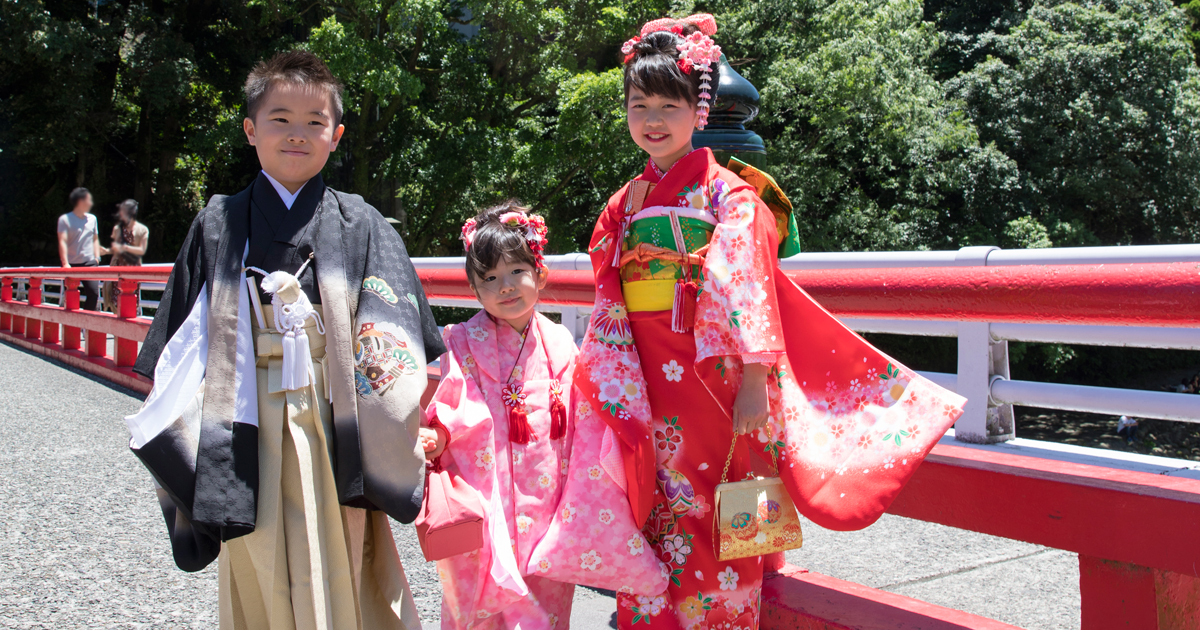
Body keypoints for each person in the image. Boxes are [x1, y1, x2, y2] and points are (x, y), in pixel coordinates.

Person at [574, 15, 968, 629]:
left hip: (720, 379)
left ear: (697, 110)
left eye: (669, 105)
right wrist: (614, 380)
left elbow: (747, 286)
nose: (653, 119)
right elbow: (609, 293)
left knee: (732, 510)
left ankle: (737, 614)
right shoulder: (624, 203)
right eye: (639, 104)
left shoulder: (731, 196)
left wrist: (756, 380)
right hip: (651, 377)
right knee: (653, 501)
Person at [125, 51, 443, 630]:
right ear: (250, 130)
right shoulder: (218, 220)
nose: (298, 134)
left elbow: (391, 337)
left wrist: (401, 416)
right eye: (280, 119)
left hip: (336, 405)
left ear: (336, 135)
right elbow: (180, 343)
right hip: (239, 409)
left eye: (315, 123)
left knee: (344, 544)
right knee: (258, 547)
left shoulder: (360, 221)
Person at [422, 203, 665, 629]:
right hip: (490, 499)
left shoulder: (561, 344)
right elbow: (450, 401)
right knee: (480, 612)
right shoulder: (461, 342)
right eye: (490, 279)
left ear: (541, 274)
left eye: (516, 272)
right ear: (475, 291)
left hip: (551, 504)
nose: (506, 287)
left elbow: (589, 425)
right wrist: (438, 433)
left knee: (546, 606)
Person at [57, 187, 103, 310]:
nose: (91, 203)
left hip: (89, 263)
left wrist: (97, 257)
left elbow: (95, 238)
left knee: (93, 294)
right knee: (70, 297)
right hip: (71, 264)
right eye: (89, 200)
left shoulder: (92, 219)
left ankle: (85, 325)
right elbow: (62, 242)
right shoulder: (65, 220)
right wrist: (65, 263)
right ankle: (72, 327)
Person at [103, 199, 150, 312]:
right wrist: (107, 251)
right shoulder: (117, 229)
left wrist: (125, 248)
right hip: (119, 269)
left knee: (130, 303)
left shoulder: (142, 230)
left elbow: (142, 250)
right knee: (116, 303)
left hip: (132, 270)